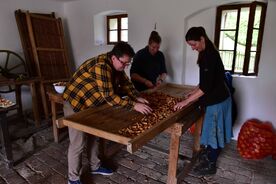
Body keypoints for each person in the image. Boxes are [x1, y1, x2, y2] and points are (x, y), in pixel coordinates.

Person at [63, 42, 152, 184]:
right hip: (75, 103)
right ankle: (73, 178)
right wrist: (134, 105)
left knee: (95, 136)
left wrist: (137, 96)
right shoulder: (101, 66)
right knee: (78, 142)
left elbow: (127, 84)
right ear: (114, 58)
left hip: (91, 104)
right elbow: (109, 97)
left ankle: (95, 166)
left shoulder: (117, 66)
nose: (125, 67)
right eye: (124, 63)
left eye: (127, 64)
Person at [174, 27, 233, 175]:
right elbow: (205, 81)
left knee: (215, 133)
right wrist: (192, 92)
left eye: (194, 44)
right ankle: (209, 153)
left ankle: (211, 165)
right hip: (216, 100)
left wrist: (184, 102)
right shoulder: (205, 53)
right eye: (190, 46)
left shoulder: (210, 56)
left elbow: (206, 88)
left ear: (202, 39)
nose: (193, 48)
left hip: (218, 102)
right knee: (212, 131)